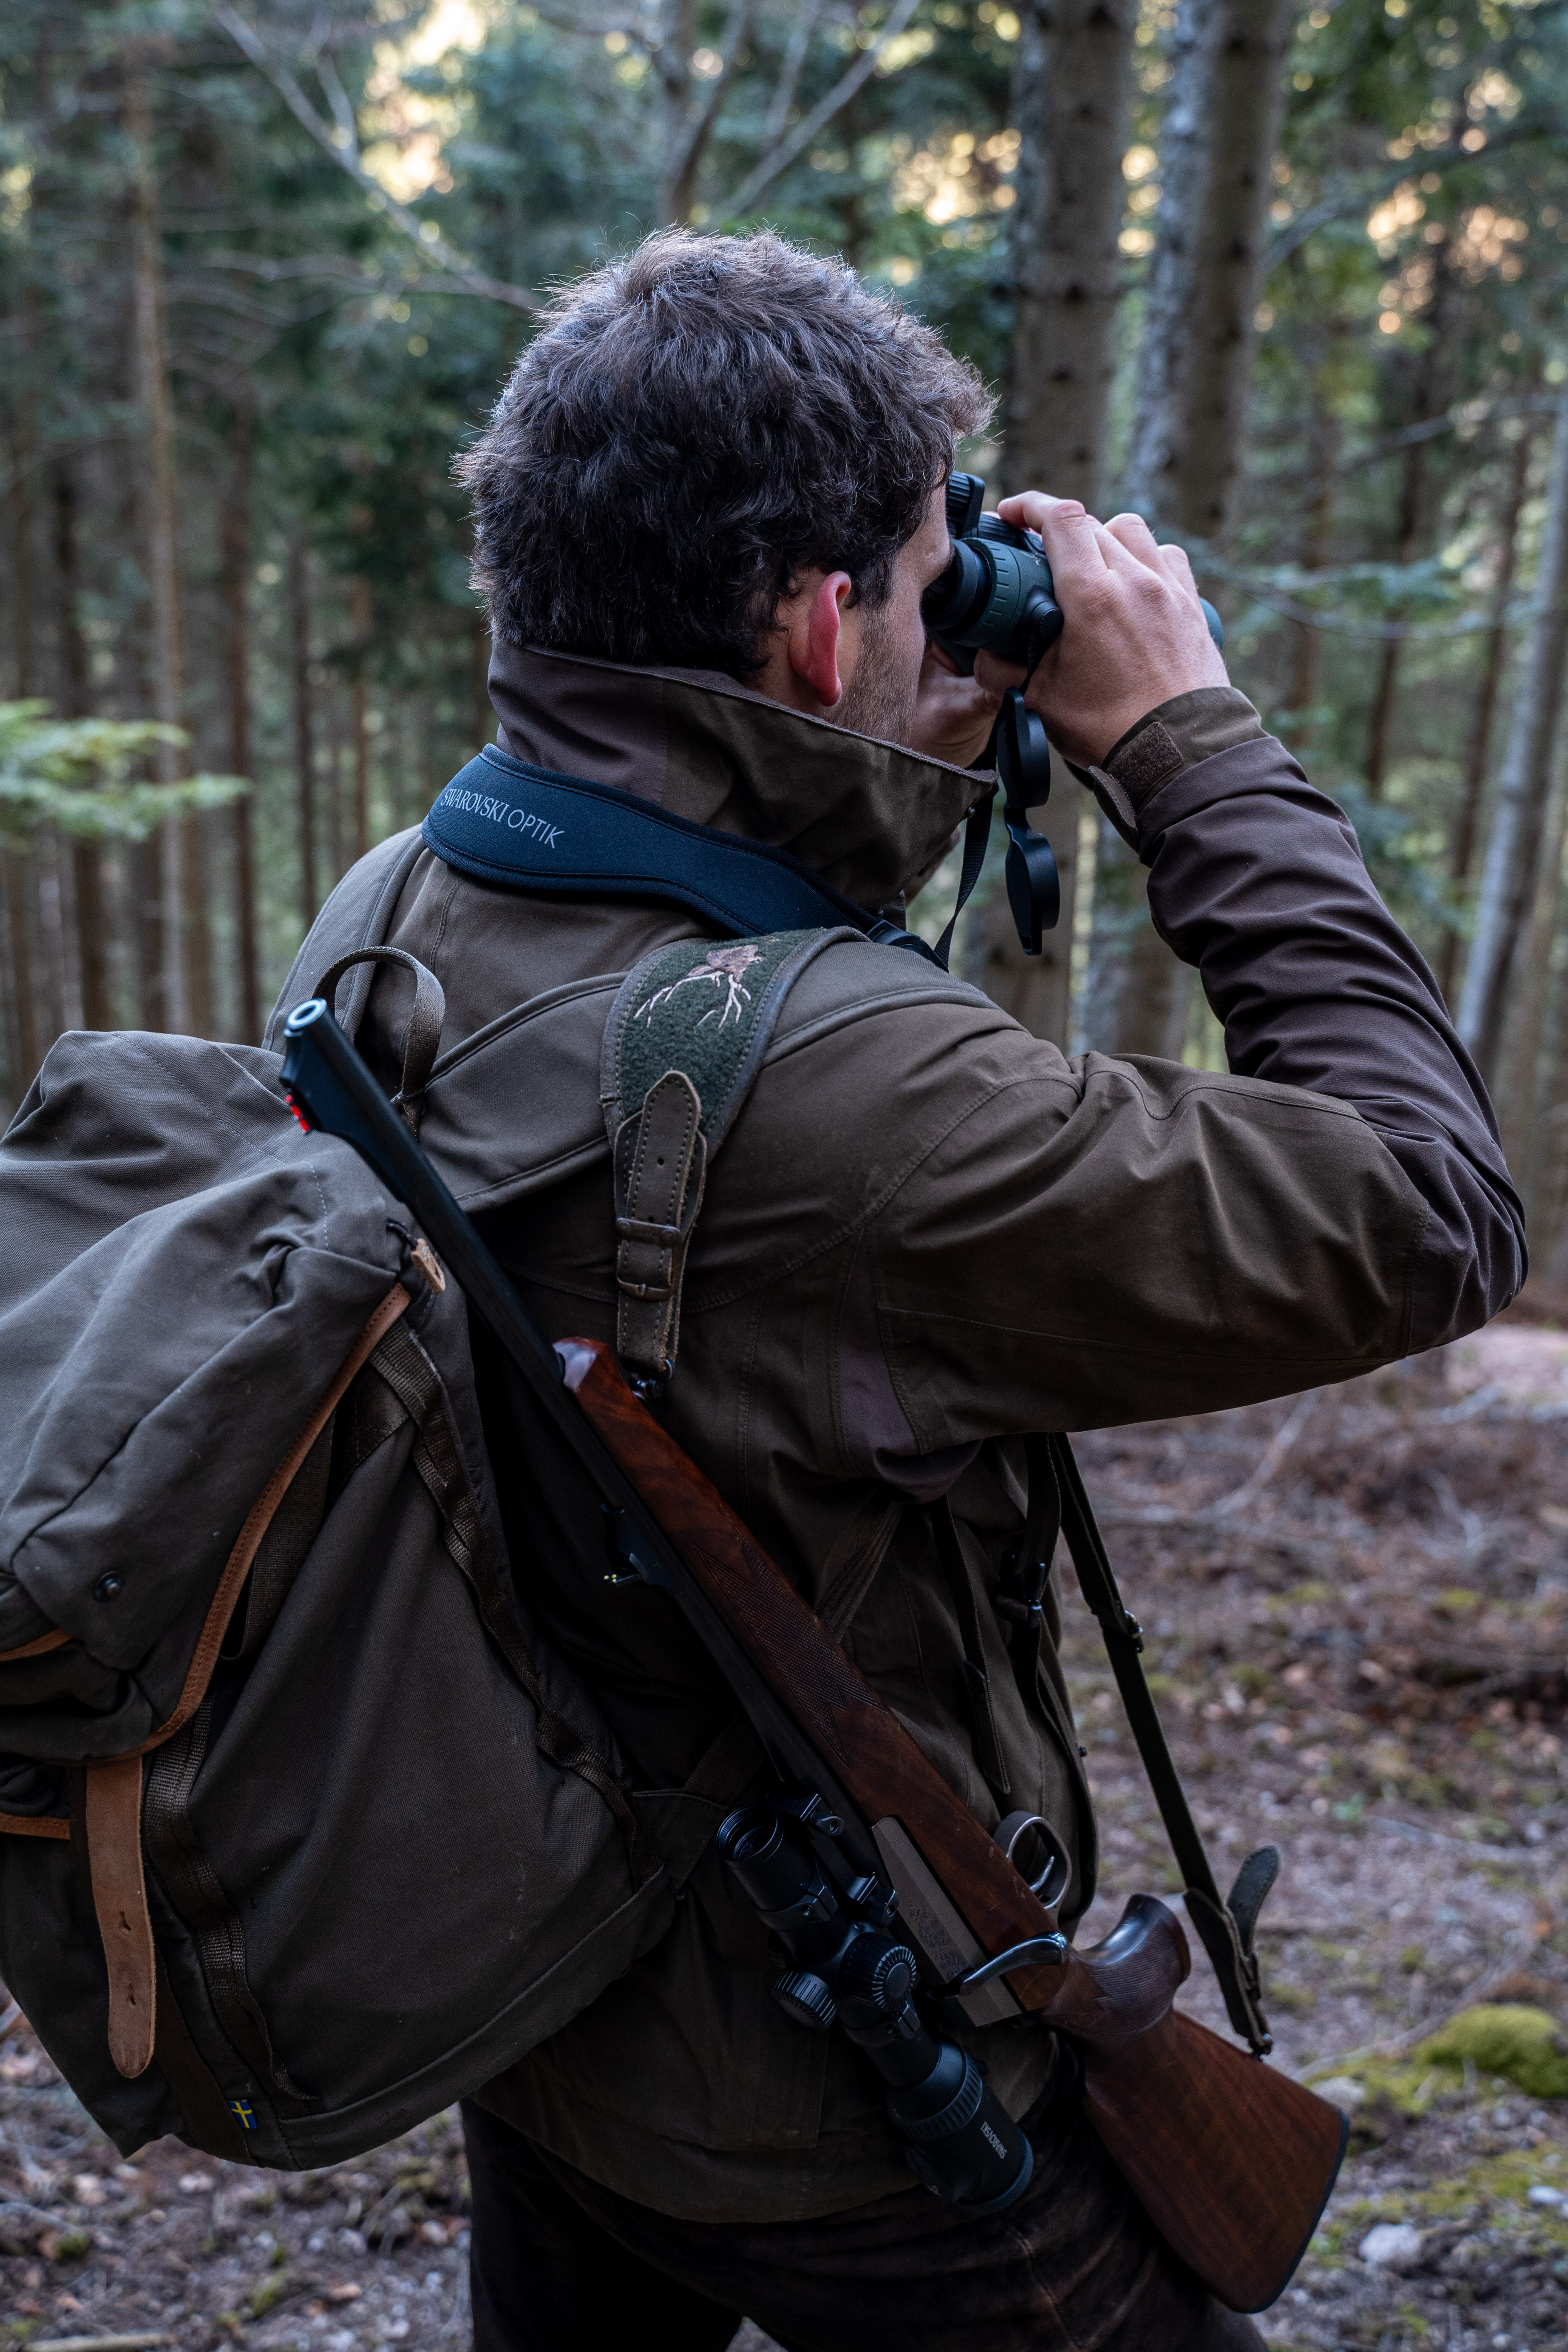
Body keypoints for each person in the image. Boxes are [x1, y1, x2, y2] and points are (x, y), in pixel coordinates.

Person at [272, 230, 1523, 2351]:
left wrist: (881, 780)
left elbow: (699, 1036)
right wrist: (1187, 740)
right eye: (931, 564)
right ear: (815, 619)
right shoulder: (846, 1094)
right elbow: (1424, 1202)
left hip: (543, 1984)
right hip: (852, 2096)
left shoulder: (398, 904)